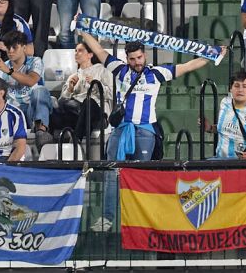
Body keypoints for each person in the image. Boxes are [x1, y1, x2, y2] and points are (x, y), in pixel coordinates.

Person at [79, 29, 211, 228]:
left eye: (139, 57)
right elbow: (98, 50)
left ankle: (138, 219)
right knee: (110, 173)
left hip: (146, 131)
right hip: (121, 130)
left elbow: (187, 66)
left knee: (140, 175)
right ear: (127, 58)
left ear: (145, 55)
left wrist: (213, 54)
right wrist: (83, 31)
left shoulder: (157, 73)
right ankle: (107, 218)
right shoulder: (119, 69)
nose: (137, 62)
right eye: (132, 59)